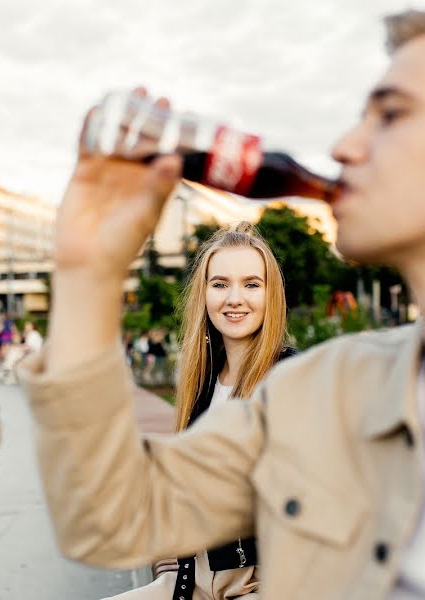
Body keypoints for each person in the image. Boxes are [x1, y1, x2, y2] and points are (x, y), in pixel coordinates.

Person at [20, 6, 425, 598]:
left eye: (392, 114)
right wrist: (86, 270)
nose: (343, 147)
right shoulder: (315, 395)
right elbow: (110, 521)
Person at [107, 222, 296, 599]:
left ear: (271, 295)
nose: (234, 298)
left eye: (251, 284)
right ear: (204, 293)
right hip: (193, 579)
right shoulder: (204, 379)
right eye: (220, 283)